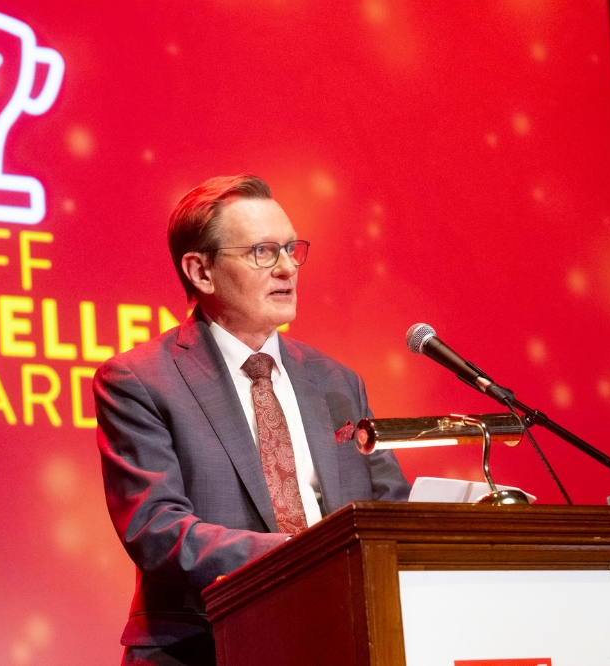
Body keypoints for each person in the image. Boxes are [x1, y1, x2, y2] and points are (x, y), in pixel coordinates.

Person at [94, 175, 410, 666]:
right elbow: (157, 529)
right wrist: (301, 557)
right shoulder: (140, 381)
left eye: (291, 249)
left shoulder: (336, 382)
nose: (287, 268)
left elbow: (390, 505)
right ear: (201, 271)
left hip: (346, 637)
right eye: (263, 252)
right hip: (204, 646)